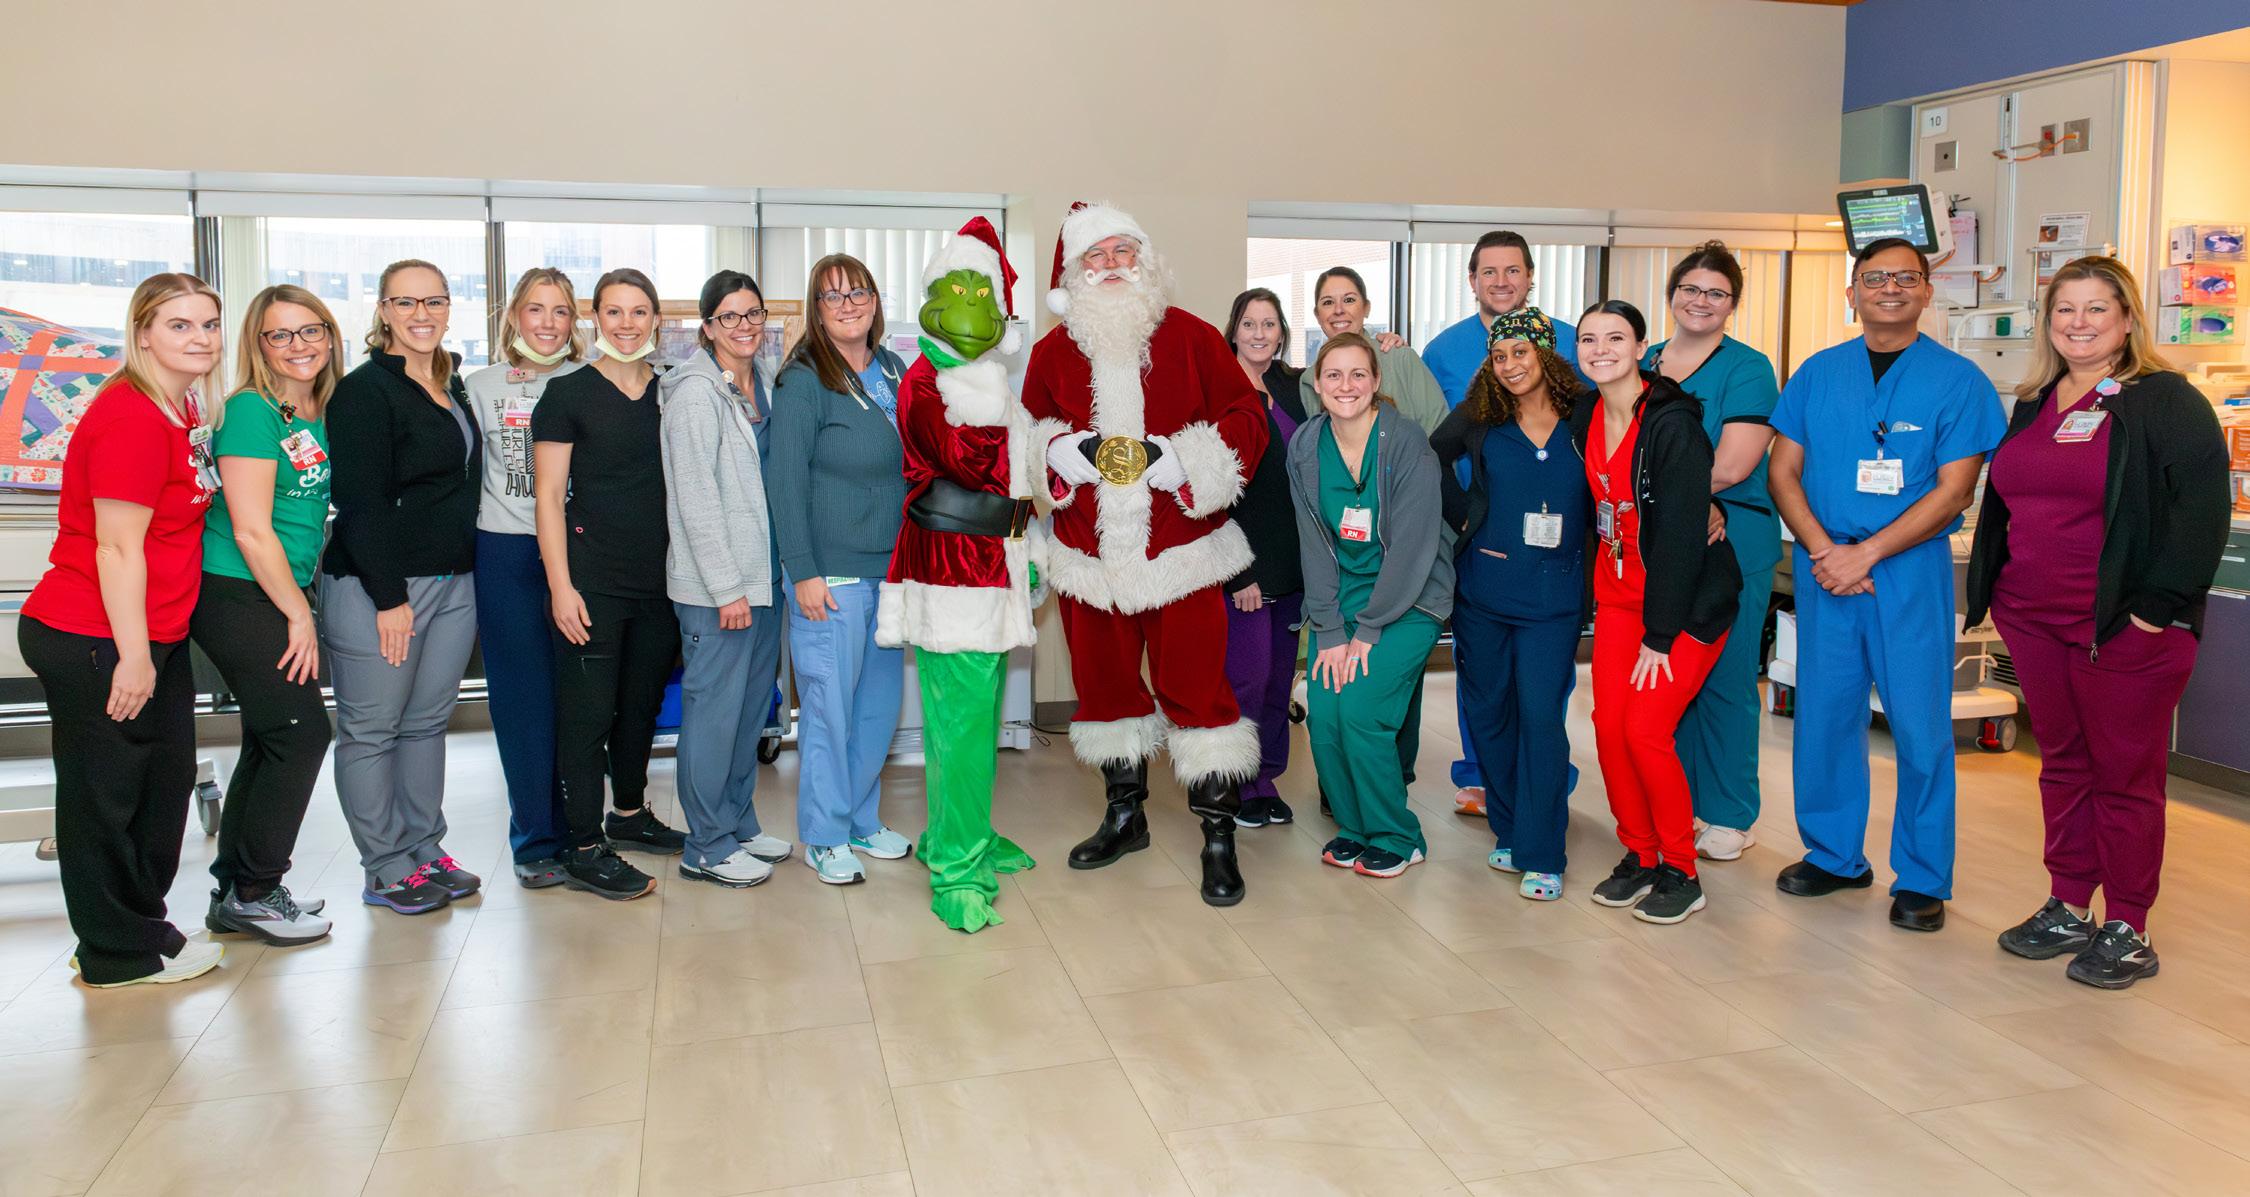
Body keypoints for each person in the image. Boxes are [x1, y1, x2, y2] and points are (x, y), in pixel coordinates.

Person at [1965, 255, 2230, 988]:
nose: (2078, 323)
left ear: (2127, 319)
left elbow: (2202, 514)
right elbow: (2011, 503)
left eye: (2095, 309)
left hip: (2123, 625)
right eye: (2064, 309)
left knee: (2125, 776)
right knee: (2063, 766)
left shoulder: (2164, 400)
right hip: (2033, 619)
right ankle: (2068, 904)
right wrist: (1999, 594)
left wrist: (2153, 613)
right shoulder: (2036, 400)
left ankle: (2129, 926)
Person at [1024, 200, 1267, 907]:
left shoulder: (1192, 336)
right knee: (1105, 693)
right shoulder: (1051, 352)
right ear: (1074, 272)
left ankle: (1218, 836)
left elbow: (1246, 417)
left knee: (1200, 694)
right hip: (1088, 561)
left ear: (1145, 258)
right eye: (1094, 256)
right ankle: (1125, 816)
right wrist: (1057, 451)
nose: (1110, 266)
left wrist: (1181, 460)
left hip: (1180, 557)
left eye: (1122, 251)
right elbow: (1027, 432)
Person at [1767, 237, 2006, 933]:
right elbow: (1782, 471)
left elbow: (1955, 489)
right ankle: (1834, 855)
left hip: (1907, 570)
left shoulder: (1958, 381)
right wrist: (1826, 551)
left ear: (1927, 291)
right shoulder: (1818, 373)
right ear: (1853, 294)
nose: (1890, 288)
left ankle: (1923, 875)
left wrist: (1866, 553)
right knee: (1825, 715)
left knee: (1920, 724)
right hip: (1825, 566)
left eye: (1906, 277)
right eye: (1875, 278)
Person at [20, 273, 226, 986]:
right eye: (179, 325)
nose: (199, 338)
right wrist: (133, 657)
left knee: (158, 790)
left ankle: (141, 928)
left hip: (150, 634)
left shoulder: (182, 405)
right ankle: (114, 953)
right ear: (142, 333)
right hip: (94, 635)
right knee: (104, 801)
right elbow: (115, 547)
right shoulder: (132, 416)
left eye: (208, 324)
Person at [876, 217, 1041, 931]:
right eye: (962, 289)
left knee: (977, 720)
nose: (974, 303)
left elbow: (1016, 471)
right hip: (951, 569)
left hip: (993, 561)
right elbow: (973, 463)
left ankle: (962, 831)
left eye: (985, 291)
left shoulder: (981, 378)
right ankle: (957, 868)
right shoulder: (927, 379)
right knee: (961, 726)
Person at [323, 259, 484, 916]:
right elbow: (360, 503)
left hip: (454, 580)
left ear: (448, 307)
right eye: (406, 302)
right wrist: (390, 599)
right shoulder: (364, 392)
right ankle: (386, 866)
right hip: (381, 587)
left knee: (425, 724)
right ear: (384, 310)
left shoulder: (451, 384)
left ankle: (424, 848)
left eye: (434, 301)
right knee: (372, 729)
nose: (422, 314)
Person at [1575, 301, 1741, 925]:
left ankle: (1681, 869)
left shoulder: (1672, 424)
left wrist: (1661, 635)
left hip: (1684, 604)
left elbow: (1679, 539)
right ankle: (1640, 854)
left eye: (1615, 338)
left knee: (1645, 730)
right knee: (1608, 728)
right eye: (1589, 339)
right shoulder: (1585, 413)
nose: (1601, 349)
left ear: (1643, 348)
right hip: (1619, 598)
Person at [192, 284, 340, 946]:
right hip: (236, 589)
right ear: (259, 344)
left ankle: (238, 889)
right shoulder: (252, 411)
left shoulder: (314, 410)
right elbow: (251, 530)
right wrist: (299, 613)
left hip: (272, 589)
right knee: (301, 732)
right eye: (280, 334)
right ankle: (255, 891)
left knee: (271, 734)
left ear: (330, 335)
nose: (298, 345)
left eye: (310, 330)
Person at [1422, 231, 1584, 821]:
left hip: (1556, 549)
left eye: (1512, 270)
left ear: (1531, 276)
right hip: (1484, 538)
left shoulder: (1572, 342)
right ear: (1472, 281)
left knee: (1542, 691)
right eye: (1488, 272)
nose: (1501, 281)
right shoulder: (1442, 350)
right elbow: (1430, 438)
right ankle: (1483, 776)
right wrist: (1464, 511)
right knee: (1485, 680)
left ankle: (1540, 787)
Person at [534, 267, 683, 901]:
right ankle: (581, 846)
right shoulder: (566, 393)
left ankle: (628, 813)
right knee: (587, 715)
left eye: (639, 311)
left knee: (641, 708)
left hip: (661, 581)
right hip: (592, 580)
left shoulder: (671, 392)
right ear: (595, 318)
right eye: (614, 312)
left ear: (656, 319)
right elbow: (547, 499)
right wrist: (560, 588)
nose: (627, 323)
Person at [767, 253, 913, 885]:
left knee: (878, 706)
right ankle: (825, 835)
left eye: (858, 292)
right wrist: (802, 570)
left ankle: (859, 819)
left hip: (893, 570)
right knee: (829, 711)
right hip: (831, 576)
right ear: (816, 309)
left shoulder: (894, 370)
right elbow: (784, 479)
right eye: (833, 296)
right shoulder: (803, 379)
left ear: (875, 301)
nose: (848, 305)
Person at [1288, 333, 1452, 877]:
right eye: (1333, 375)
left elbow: (1413, 547)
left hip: (1412, 596)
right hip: (1343, 598)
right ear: (1317, 384)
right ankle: (1356, 827)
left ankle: (1398, 836)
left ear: (1376, 381)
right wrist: (1330, 628)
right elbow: (1314, 544)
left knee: (1360, 710)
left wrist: (1369, 628)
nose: (1346, 386)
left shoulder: (1406, 443)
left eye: (1358, 374)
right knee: (1325, 711)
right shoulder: (1306, 446)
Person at [1644, 242, 1782, 862]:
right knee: (1669, 680)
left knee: (1725, 677)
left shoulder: (1747, 368)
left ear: (1732, 304)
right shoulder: (1645, 360)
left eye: (1716, 293)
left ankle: (1729, 812)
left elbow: (1731, 465)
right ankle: (1683, 804)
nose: (1701, 301)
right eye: (1691, 289)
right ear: (1672, 294)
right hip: (1660, 536)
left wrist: (1664, 496)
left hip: (1730, 536)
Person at [662, 270, 794, 888]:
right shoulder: (694, 394)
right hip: (720, 589)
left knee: (748, 711)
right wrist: (725, 589)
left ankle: (738, 822)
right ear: (708, 326)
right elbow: (695, 498)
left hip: (763, 577)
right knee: (713, 714)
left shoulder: (762, 380)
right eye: (730, 316)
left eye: (753, 314)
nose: (745, 326)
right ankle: (706, 844)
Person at [466, 267, 585, 889]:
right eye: (536, 309)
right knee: (522, 703)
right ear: (514, 315)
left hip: (578, 553)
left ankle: (582, 828)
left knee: (579, 701)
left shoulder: (591, 380)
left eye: (560, 311)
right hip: (507, 554)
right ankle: (536, 839)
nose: (547, 323)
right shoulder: (479, 387)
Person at [1221, 287, 1307, 828]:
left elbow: (1356, 380)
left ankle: (1268, 777)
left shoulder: (1295, 387)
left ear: (1281, 333)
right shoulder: (1215, 391)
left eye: (1269, 324)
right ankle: (1237, 783)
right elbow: (1210, 492)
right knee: (1245, 682)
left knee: (1278, 682)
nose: (1259, 333)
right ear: (1233, 330)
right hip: (1242, 566)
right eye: (1249, 323)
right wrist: (1239, 572)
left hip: (1294, 563)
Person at [1298, 267, 1447, 434]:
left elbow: (1440, 432)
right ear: (1317, 315)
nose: (1338, 310)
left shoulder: (1400, 358)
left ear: (1366, 308)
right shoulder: (1309, 380)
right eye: (1328, 302)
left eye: (1349, 300)